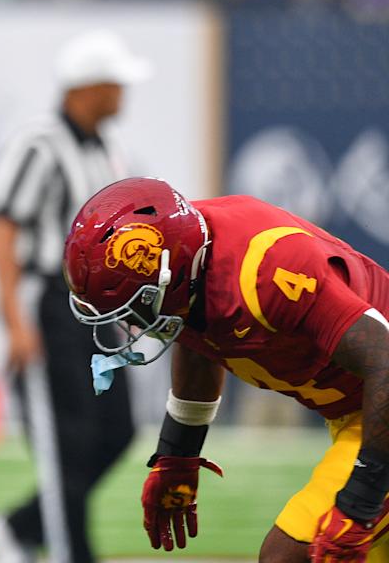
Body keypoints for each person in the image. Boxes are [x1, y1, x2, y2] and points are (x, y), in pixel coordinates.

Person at [63, 176, 389, 562]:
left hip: (377, 403)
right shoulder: (187, 259)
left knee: (289, 555)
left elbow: (385, 361)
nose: (131, 324)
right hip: (362, 411)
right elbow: (201, 334)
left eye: (135, 306)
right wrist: (178, 453)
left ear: (172, 275)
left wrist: (361, 501)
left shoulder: (268, 270)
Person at [0, 31, 151, 562]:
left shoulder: (109, 149)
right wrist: (14, 321)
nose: (124, 92)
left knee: (118, 430)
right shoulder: (40, 142)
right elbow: (4, 227)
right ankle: (71, 552)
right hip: (49, 301)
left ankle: (17, 527)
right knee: (66, 442)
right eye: (116, 82)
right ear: (90, 86)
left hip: (97, 312)